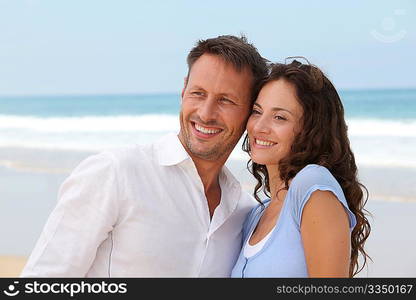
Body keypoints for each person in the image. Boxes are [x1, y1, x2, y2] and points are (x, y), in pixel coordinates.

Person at [21, 35, 269, 277]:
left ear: (251, 112)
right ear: (183, 90)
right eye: (198, 93)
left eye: (226, 100)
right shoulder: (115, 173)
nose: (205, 113)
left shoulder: (243, 211)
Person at [231, 58, 371, 278]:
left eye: (279, 117)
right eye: (257, 112)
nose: (259, 126)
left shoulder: (312, 186)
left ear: (311, 129)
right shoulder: (256, 214)